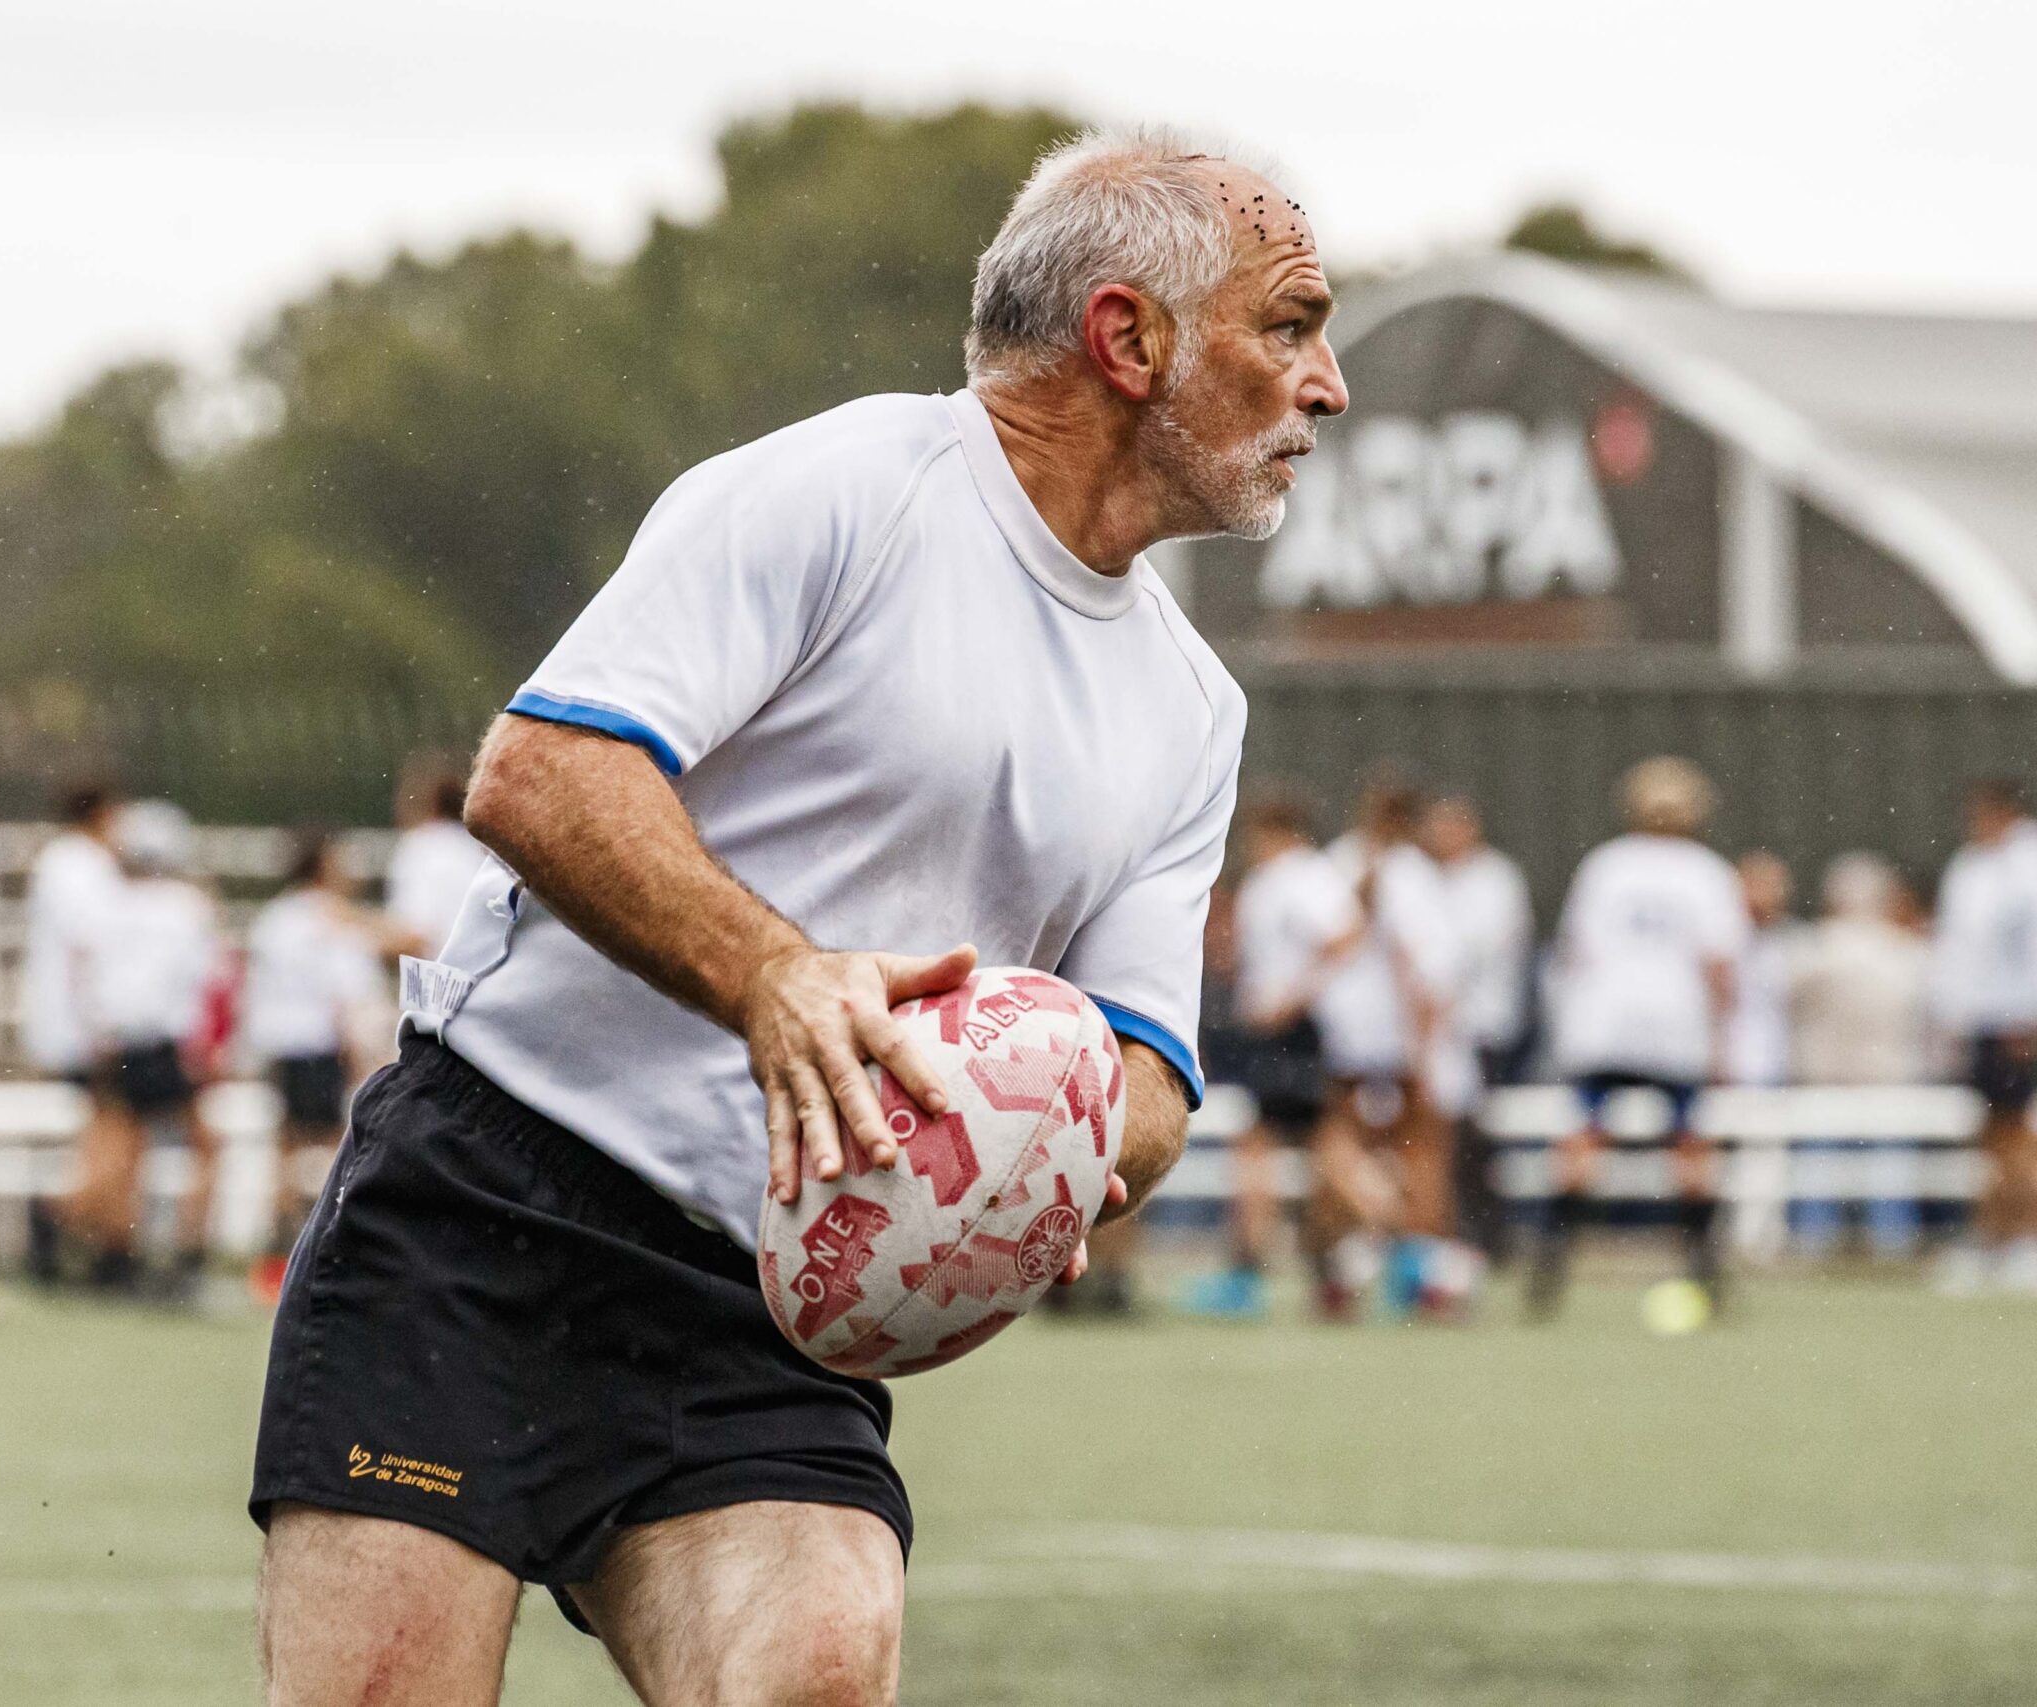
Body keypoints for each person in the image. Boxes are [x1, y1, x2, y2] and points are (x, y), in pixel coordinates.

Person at [250, 128, 1343, 1707]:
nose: (1327, 385)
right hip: (484, 1210)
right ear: (1131, 337)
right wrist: (776, 979)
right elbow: (543, 775)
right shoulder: (848, 488)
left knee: (818, 1669)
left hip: (769, 1300)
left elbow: (1153, 1071)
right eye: (1293, 324)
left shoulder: (1192, 707)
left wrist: (1052, 1132)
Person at [1532, 757, 1748, 1319]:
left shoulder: (1606, 866)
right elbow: (1720, 964)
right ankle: (1703, 1265)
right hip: (1676, 1026)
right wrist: (1725, 1037)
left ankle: (1552, 1254)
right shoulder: (1705, 872)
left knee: (1583, 1137)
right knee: (1690, 1145)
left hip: (1603, 1023)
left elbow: (1576, 952)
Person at [1181, 785, 1359, 1320]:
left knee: (1271, 1149)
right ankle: (1353, 1261)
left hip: (1293, 1032)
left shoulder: (1298, 878)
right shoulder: (1289, 879)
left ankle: (1249, 1273)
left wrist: (1289, 999)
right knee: (1312, 1148)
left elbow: (1345, 937)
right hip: (1287, 1031)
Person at [1929, 777, 2037, 1295]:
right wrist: (1952, 1014)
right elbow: (1957, 948)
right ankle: (1993, 1240)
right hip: (1981, 1020)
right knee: (1992, 1135)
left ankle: (2035, 1241)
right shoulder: (1972, 866)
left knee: (2022, 1134)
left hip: (2020, 1020)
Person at [1315, 782, 1468, 1318]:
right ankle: (1420, 1265)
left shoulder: (1334, 861)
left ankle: (1344, 1271)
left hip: (1338, 1033)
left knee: (1339, 1147)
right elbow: (1419, 967)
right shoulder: (1412, 874)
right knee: (1420, 1152)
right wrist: (1426, 1049)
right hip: (1392, 1038)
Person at [87, 801, 225, 1294]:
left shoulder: (110, 905)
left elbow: (94, 980)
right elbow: (202, 982)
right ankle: (186, 1259)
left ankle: (115, 1258)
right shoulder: (186, 907)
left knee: (126, 1150)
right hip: (166, 1044)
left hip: (119, 1041)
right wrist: (204, 1049)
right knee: (208, 1149)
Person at [243, 827, 386, 1299]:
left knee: (283, 1154)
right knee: (333, 1152)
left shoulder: (274, 917)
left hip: (280, 1045)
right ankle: (329, 1250)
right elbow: (345, 992)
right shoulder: (329, 917)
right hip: (318, 1044)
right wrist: (360, 1053)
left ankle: (274, 1259)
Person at [1787, 852, 1934, 1259]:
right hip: (1884, 1078)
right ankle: (1892, 1248)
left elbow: (1789, 999)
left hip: (1828, 1078)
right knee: (1888, 1177)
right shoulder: (1906, 952)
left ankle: (1813, 1247)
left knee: (1820, 1175)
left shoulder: (1816, 948)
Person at [20, 781, 128, 1281]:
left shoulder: (58, 861)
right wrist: (101, 1021)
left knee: (105, 1127)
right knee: (116, 1127)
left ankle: (89, 1235)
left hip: (64, 1016)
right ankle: (62, 1219)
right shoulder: (85, 865)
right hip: (83, 1021)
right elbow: (90, 947)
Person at [1418, 795, 1530, 1261]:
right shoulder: (1429, 880)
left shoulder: (1493, 880)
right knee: (1449, 1135)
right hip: (1443, 1030)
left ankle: (1488, 1234)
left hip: (1482, 1028)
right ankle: (1460, 1230)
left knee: (1474, 1137)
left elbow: (1466, 953)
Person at [386, 754, 485, 957]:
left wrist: (346, 927)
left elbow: (415, 939)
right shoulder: (475, 847)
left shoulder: (422, 847)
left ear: (426, 801)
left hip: (446, 978)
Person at [1725, 851, 1798, 1091]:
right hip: (1726, 1067)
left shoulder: (1793, 942)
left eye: (1771, 886)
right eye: (1754, 884)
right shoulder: (1720, 942)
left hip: (1777, 1068)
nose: (1762, 895)